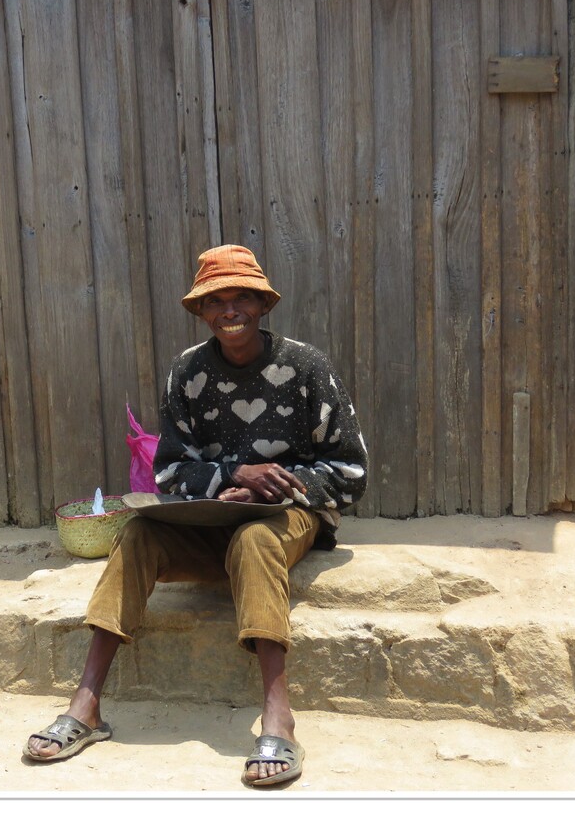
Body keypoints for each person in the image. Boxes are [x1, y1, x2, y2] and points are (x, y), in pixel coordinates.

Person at [24, 244, 368, 787]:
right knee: (137, 531)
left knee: (254, 539)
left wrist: (272, 488)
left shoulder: (306, 366)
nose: (230, 310)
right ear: (202, 312)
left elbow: (351, 471)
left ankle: (278, 716)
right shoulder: (187, 372)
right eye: (216, 301)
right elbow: (168, 471)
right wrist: (233, 477)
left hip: (289, 518)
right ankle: (86, 705)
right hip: (211, 519)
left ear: (262, 305)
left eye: (242, 299)